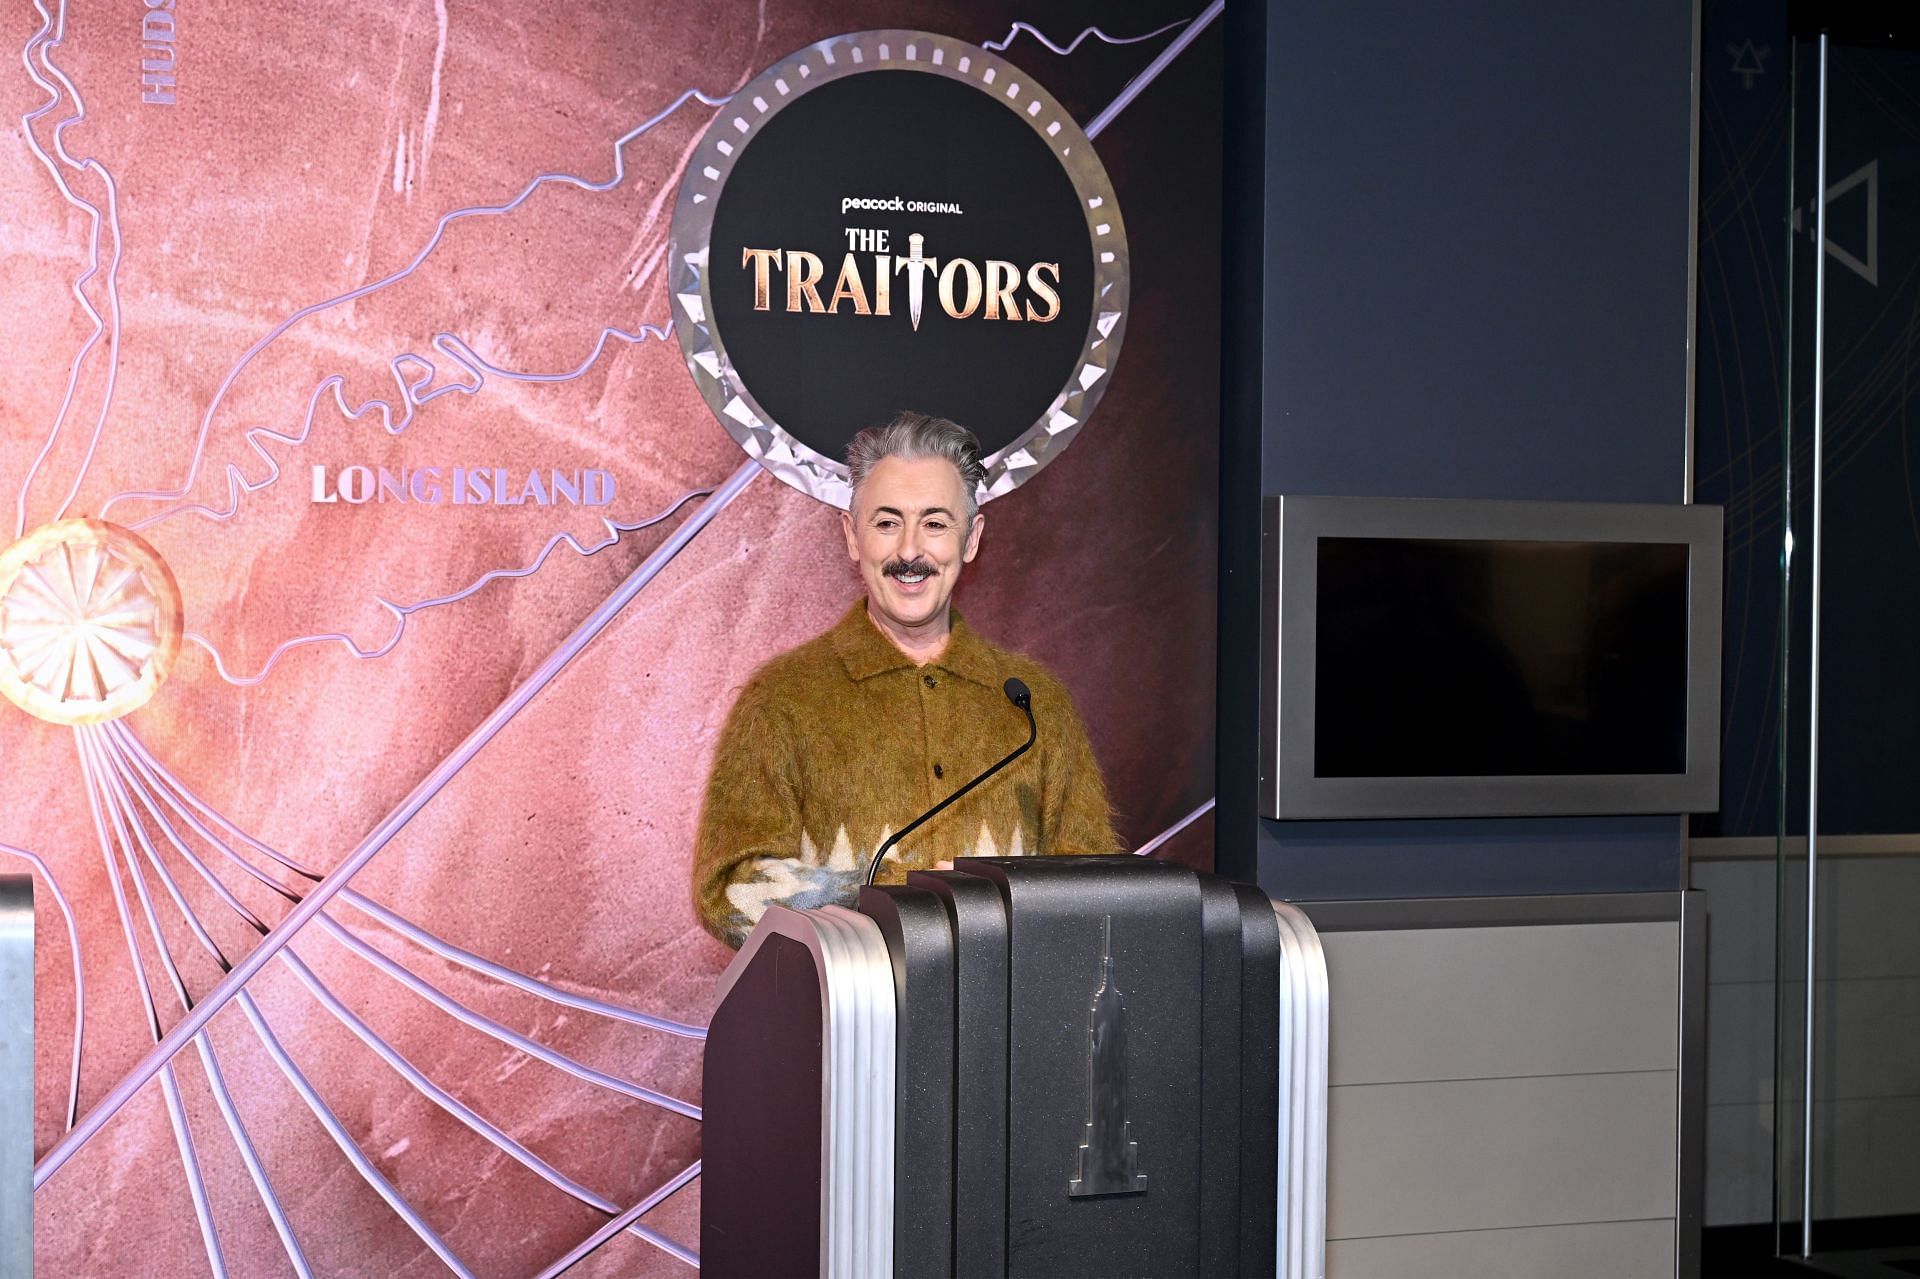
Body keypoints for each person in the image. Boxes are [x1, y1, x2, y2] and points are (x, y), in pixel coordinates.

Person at [691, 411, 1121, 948]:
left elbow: (1100, 895)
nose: (910, 551)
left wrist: (996, 902)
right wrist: (898, 895)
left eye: (936, 523)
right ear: (852, 537)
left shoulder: (1035, 704)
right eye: (887, 522)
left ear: (971, 539)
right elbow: (728, 888)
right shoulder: (780, 700)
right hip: (845, 1025)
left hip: (1006, 1027)